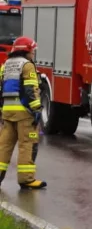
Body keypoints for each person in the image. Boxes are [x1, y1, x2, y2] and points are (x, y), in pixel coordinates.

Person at [0, 36, 46, 189]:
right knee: (28, 144)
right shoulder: (27, 66)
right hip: (25, 114)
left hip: (7, 112)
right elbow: (30, 90)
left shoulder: (6, 65)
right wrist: (36, 110)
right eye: (32, 51)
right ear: (26, 51)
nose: (33, 54)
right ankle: (26, 179)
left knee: (4, 146)